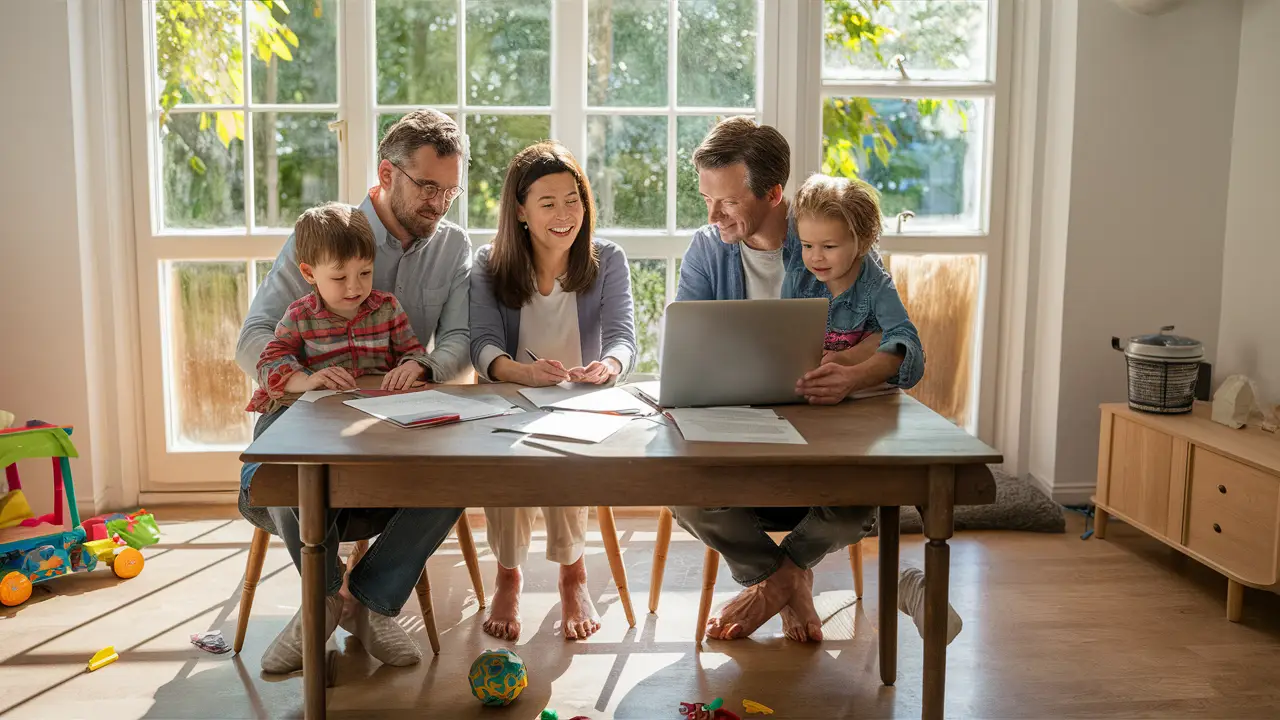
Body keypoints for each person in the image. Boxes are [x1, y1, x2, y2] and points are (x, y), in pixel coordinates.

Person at [669, 116, 930, 644]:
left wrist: (853, 376)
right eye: (706, 198)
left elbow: (904, 348)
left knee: (860, 504)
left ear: (772, 193)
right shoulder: (707, 249)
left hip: (822, 439)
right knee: (682, 493)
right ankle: (786, 579)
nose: (712, 214)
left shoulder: (830, 241)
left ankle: (773, 582)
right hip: (736, 440)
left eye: (728, 201)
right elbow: (690, 351)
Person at [235, 110, 472, 673]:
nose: (440, 204)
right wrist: (301, 379)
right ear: (387, 175)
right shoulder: (328, 236)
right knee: (291, 473)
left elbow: (460, 336)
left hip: (398, 412)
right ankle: (321, 604)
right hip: (309, 411)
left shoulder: (453, 245)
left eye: (451, 190)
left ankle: (367, 603)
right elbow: (254, 338)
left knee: (464, 470)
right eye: (428, 187)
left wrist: (424, 366)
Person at [469, 141, 637, 641]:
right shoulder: (490, 263)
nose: (565, 215)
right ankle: (508, 575)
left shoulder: (607, 260)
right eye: (548, 203)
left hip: (578, 400)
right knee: (508, 455)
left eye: (573, 199)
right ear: (520, 211)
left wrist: (608, 366)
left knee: (563, 450)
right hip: (509, 397)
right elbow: (482, 344)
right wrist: (523, 375)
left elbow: (625, 339)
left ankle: (572, 573)